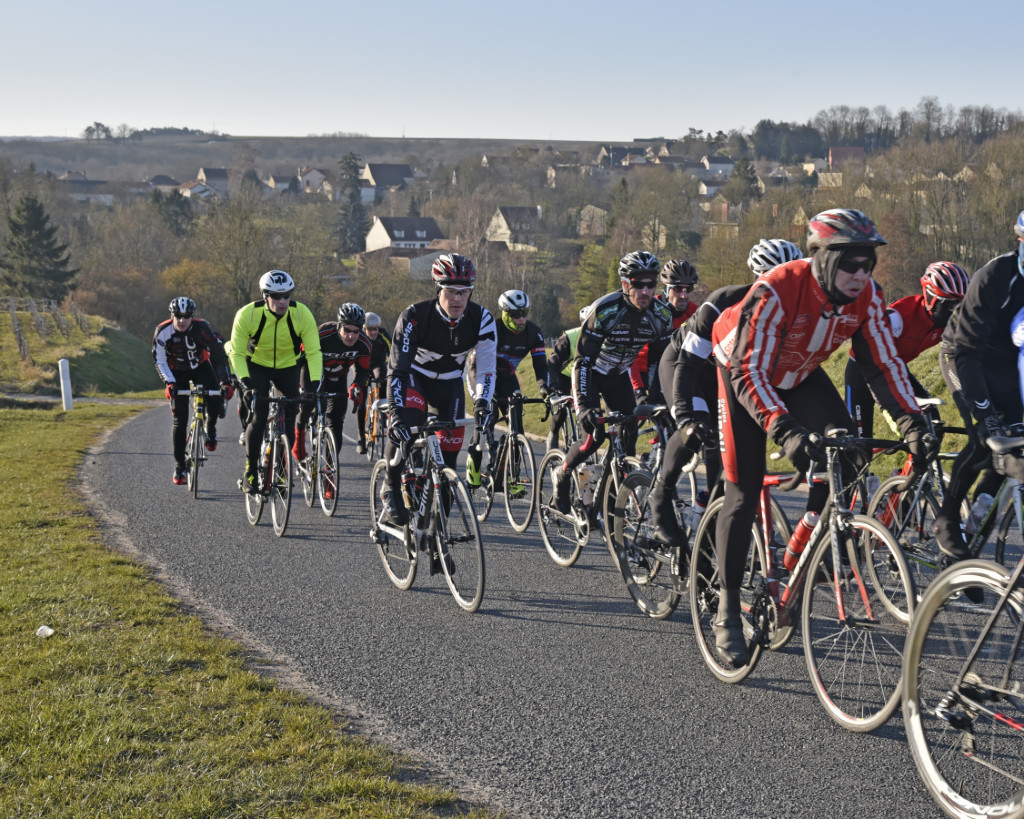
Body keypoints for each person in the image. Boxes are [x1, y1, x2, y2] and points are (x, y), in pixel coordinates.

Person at [710, 209, 934, 667]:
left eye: (868, 263)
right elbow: (748, 372)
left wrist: (911, 422)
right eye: (850, 263)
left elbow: (882, 364)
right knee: (742, 489)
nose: (860, 274)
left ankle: (800, 558)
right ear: (821, 258)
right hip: (741, 372)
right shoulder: (778, 288)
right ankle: (727, 608)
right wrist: (783, 429)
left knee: (850, 456)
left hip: (798, 373)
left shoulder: (867, 297)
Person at [647, 239, 803, 543]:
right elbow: (687, 365)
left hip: (723, 374)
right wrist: (684, 416)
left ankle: (707, 530)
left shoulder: (793, 314)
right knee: (697, 428)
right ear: (760, 278)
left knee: (726, 455)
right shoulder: (723, 302)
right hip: (684, 363)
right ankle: (660, 496)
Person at [380, 253, 497, 539]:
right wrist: (395, 413)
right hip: (414, 379)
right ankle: (390, 485)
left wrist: (482, 402)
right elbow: (397, 369)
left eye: (464, 292)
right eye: (450, 291)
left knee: (448, 464)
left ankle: (436, 535)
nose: (458, 298)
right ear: (438, 289)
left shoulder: (482, 319)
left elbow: (485, 369)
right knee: (406, 428)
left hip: (450, 385)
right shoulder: (414, 317)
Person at [552, 250, 674, 513]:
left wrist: (655, 400)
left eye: (650, 284)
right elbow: (582, 361)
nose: (645, 291)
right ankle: (562, 473)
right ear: (625, 284)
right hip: (591, 374)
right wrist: (585, 406)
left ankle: (607, 505)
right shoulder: (606, 310)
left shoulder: (662, 315)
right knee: (593, 437)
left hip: (619, 376)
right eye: (638, 284)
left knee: (629, 437)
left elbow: (660, 363)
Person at [934, 211, 1024, 559]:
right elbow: (967, 351)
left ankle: (972, 538)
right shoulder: (995, 276)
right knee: (983, 433)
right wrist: (984, 413)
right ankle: (946, 519)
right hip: (963, 353)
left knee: (1013, 443)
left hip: (1005, 362)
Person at [845, 261, 969, 438]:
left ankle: (915, 457)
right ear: (932, 298)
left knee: (932, 426)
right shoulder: (899, 317)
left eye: (960, 304)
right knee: (860, 443)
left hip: (895, 369)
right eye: (950, 305)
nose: (955, 311)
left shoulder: (948, 323)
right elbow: (868, 350)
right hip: (863, 370)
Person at [229, 270, 322, 493]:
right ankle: (251, 471)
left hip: (288, 367)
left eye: (286, 296)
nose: (282, 301)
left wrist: (314, 385)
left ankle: (281, 472)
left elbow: (313, 353)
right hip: (257, 366)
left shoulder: (302, 314)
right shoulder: (248, 315)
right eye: (276, 296)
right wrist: (245, 384)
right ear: (265, 296)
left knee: (289, 419)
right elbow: (236, 353)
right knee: (259, 416)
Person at [465, 289, 548, 486]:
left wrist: (545, 390)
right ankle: (474, 464)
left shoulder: (533, 332)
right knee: (486, 416)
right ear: (505, 313)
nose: (522, 318)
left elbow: (541, 366)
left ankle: (513, 476)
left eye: (525, 313)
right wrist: (485, 397)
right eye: (516, 314)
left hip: (507, 376)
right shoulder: (492, 329)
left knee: (517, 427)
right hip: (481, 373)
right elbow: (477, 364)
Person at [153, 296, 232, 485]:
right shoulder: (162, 332)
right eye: (178, 316)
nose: (182, 320)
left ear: (192, 316)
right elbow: (160, 360)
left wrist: (225, 382)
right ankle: (180, 465)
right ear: (172, 315)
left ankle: (210, 428)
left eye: (186, 316)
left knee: (216, 400)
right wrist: (169, 383)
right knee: (180, 420)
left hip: (200, 367)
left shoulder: (202, 328)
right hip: (176, 372)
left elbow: (219, 356)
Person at [294, 302, 372, 473]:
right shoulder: (323, 334)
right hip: (313, 372)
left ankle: (330, 469)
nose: (351, 336)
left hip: (338, 377)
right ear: (339, 326)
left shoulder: (364, 344)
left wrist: (356, 385)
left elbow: (363, 370)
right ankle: (298, 440)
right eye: (347, 330)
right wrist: (297, 385)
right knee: (307, 403)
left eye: (356, 331)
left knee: (336, 420)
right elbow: (300, 359)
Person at [629, 259, 700, 404]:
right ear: (666, 289)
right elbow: (631, 357)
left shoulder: (695, 313)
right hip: (643, 370)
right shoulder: (647, 309)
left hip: (676, 368)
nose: (684, 296)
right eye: (678, 289)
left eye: (688, 289)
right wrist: (639, 390)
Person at [544, 305, 592, 451]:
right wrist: (553, 386)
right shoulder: (569, 337)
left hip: (584, 375)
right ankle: (553, 433)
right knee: (562, 409)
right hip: (564, 374)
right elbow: (552, 364)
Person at [355, 311, 392, 455]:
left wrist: (391, 368)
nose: (373, 332)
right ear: (364, 329)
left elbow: (392, 351)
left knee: (383, 378)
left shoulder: (383, 334)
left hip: (378, 364)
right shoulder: (359, 335)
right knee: (361, 399)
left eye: (375, 329)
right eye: (370, 330)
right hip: (362, 366)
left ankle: (382, 412)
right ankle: (361, 438)